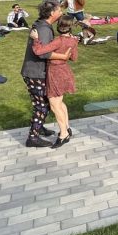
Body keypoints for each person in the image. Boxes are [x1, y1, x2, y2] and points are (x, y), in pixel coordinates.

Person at [20, 0, 72, 148]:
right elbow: (43, 53)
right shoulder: (43, 29)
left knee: (42, 103)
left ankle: (39, 126)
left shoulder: (42, 25)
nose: (61, 13)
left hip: (34, 71)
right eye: (59, 10)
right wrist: (63, 57)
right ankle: (33, 137)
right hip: (36, 72)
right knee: (42, 106)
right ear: (51, 13)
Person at [31, 17, 79, 148]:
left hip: (55, 73)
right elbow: (74, 58)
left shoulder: (58, 40)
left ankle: (63, 134)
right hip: (65, 72)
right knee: (60, 102)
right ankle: (67, 128)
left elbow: (38, 51)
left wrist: (36, 39)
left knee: (54, 105)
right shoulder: (73, 40)